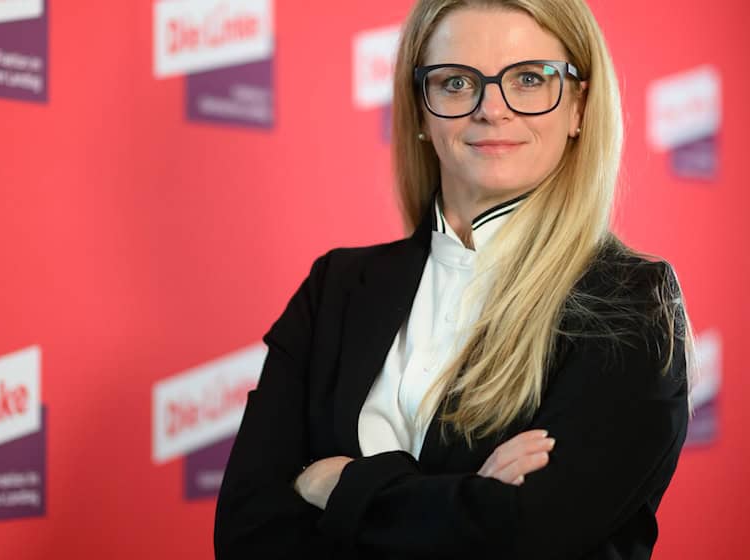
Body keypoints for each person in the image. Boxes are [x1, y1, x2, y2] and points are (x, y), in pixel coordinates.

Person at [214, 0, 694, 559]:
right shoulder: (338, 287)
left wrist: (336, 486)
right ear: (420, 110)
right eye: (457, 82)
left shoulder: (629, 301)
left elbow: (527, 537)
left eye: (530, 79)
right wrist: (466, 501)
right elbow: (246, 532)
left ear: (578, 108)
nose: (492, 109)